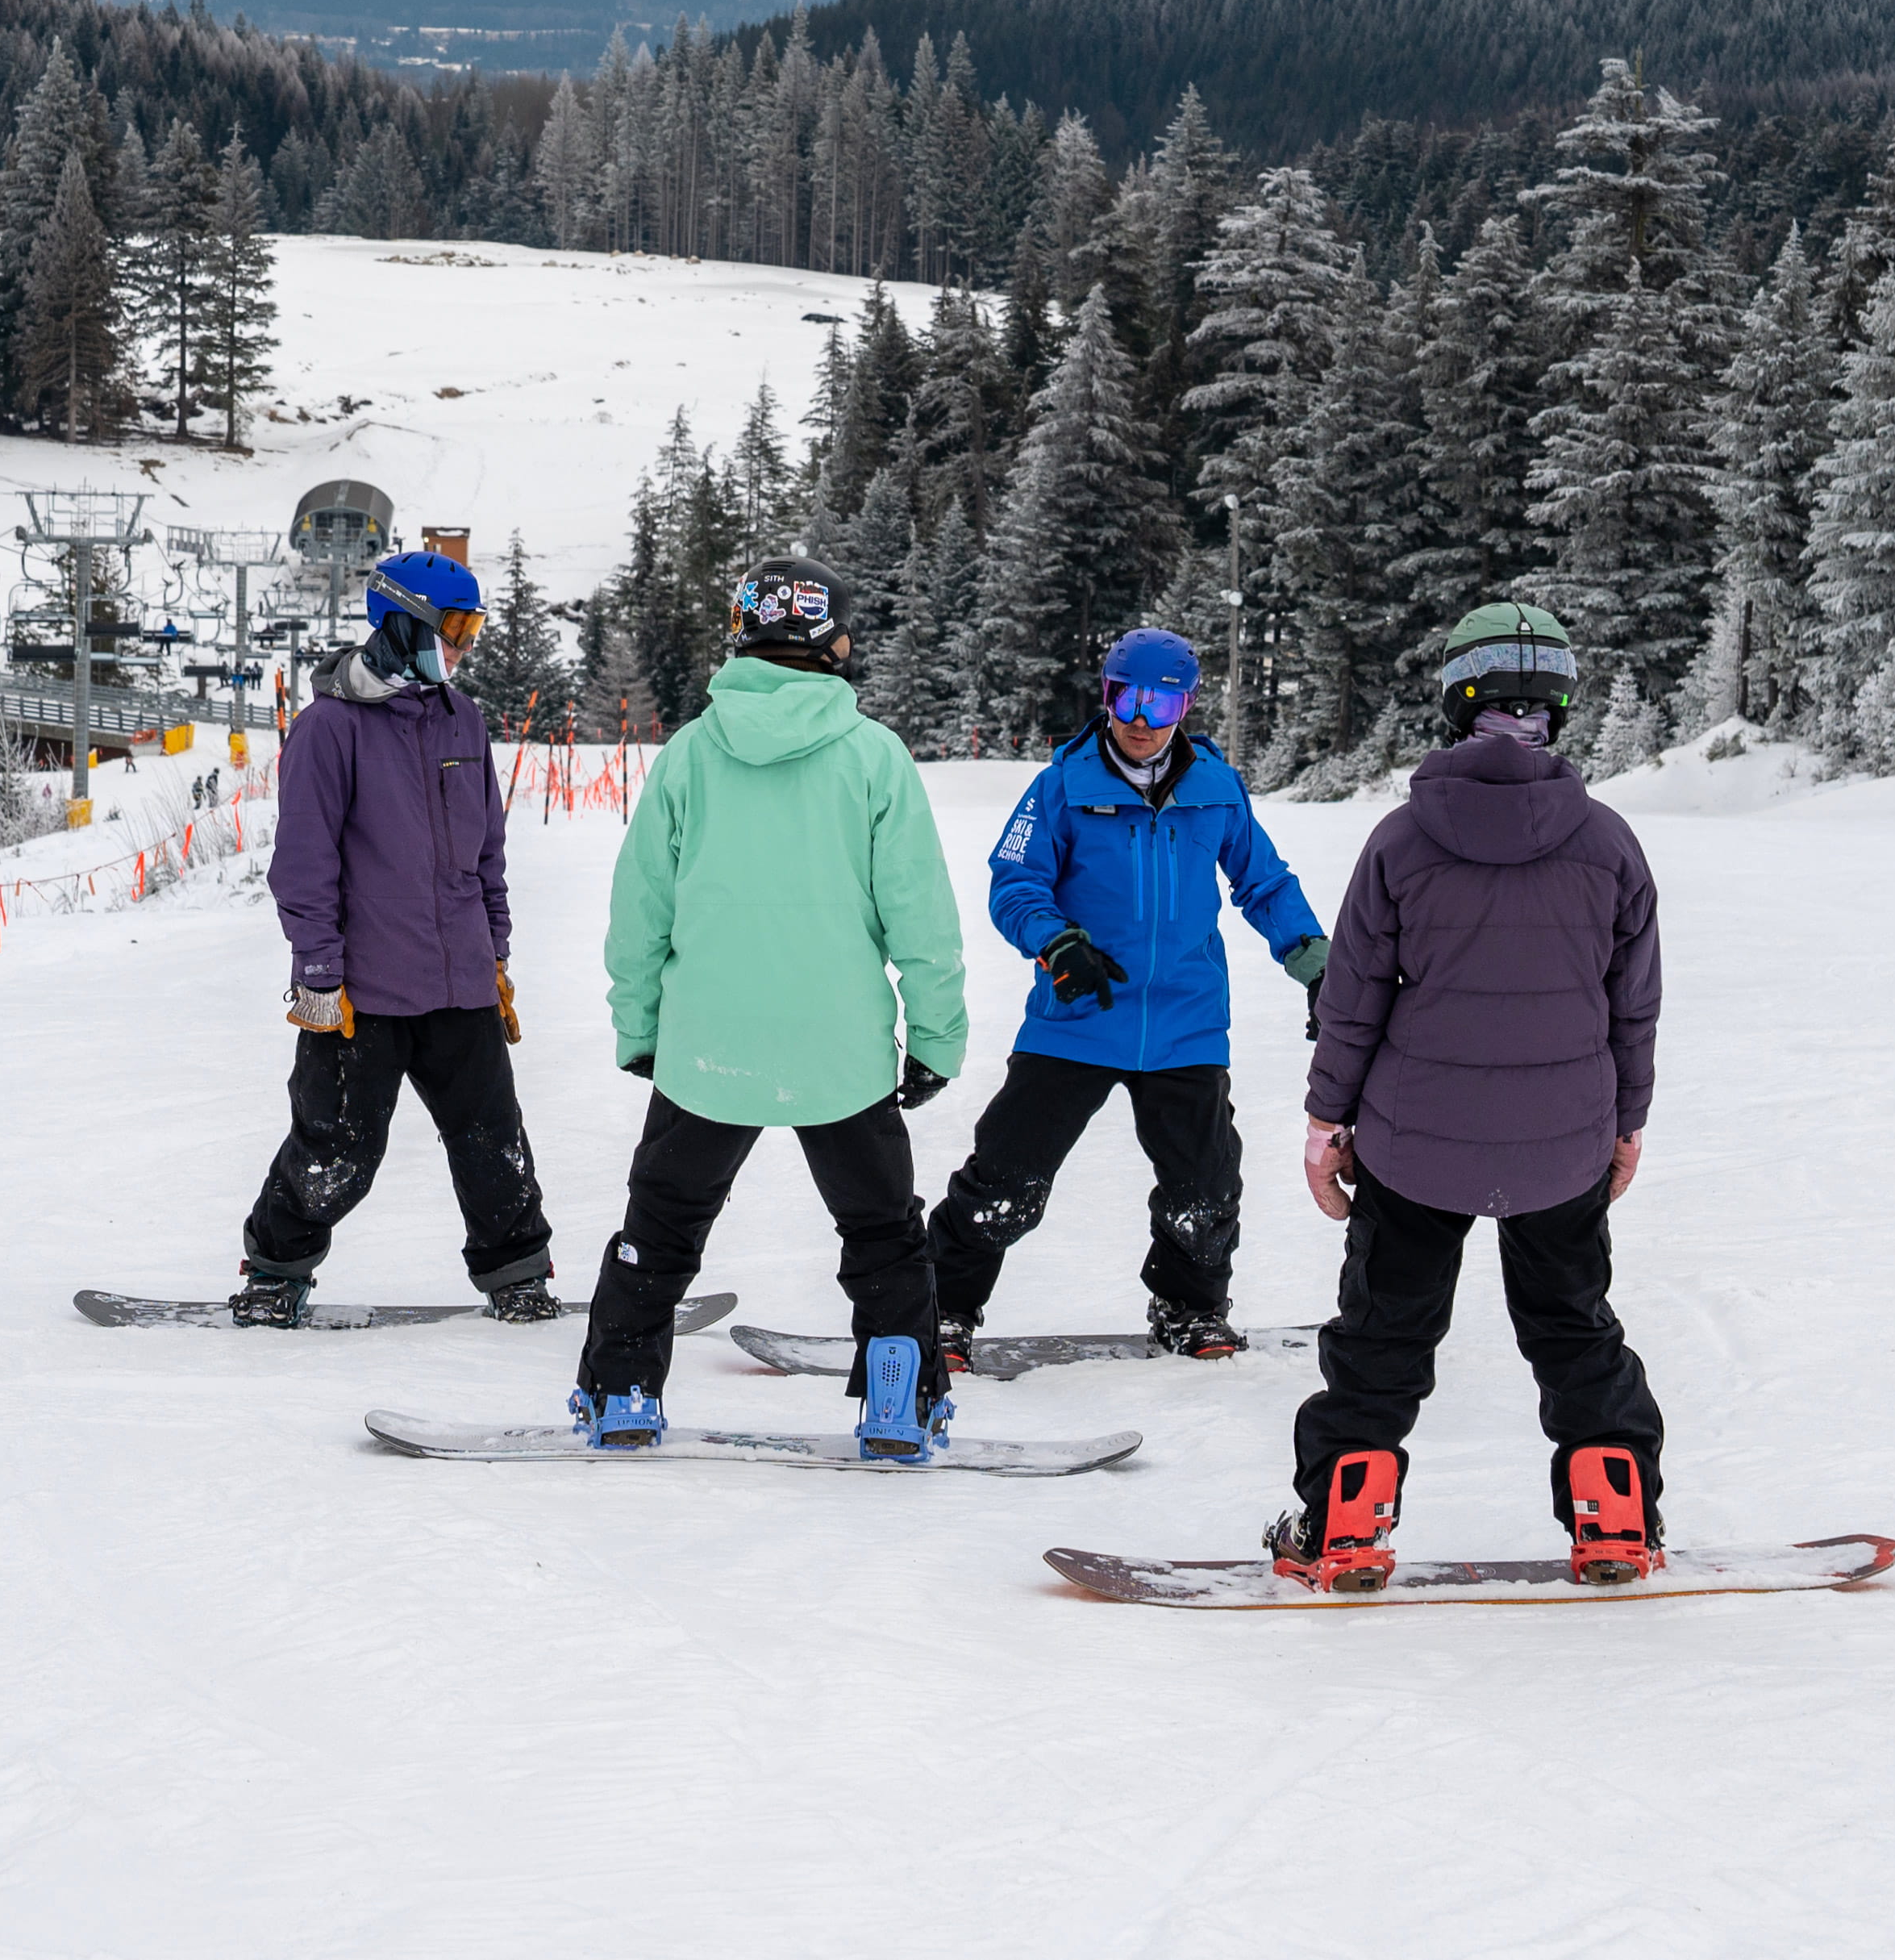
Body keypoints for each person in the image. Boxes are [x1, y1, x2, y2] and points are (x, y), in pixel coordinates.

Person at [1271, 602, 1668, 1591]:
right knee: (1574, 1327)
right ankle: (1614, 1514)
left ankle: (1345, 1524)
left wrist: (1328, 1123)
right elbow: (1635, 1009)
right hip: (1562, 1145)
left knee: (1382, 1339)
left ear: (1456, 699)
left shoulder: (1402, 842)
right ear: (1560, 709)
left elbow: (1352, 1002)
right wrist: (1626, 1126)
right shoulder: (1610, 844)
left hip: (1417, 1147)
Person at [577, 555, 972, 1458]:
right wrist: (937, 1038)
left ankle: (625, 1388)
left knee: (664, 1223)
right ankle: (898, 1405)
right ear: (833, 641)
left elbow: (641, 908)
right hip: (840, 1053)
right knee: (881, 1233)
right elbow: (921, 916)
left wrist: (640, 1027)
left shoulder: (689, 754)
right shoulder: (873, 756)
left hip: (711, 1047)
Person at [943, 625, 1326, 1363]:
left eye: (1161, 702)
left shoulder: (1217, 789)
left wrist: (1313, 959)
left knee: (1204, 1187)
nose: (1140, 722)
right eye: (1127, 699)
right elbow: (1015, 883)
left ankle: (1191, 1307)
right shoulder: (1062, 784)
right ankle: (944, 1307)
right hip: (1078, 1019)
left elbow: (1264, 882)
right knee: (1005, 1179)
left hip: (1185, 1024)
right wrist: (1056, 942)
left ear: (1186, 707)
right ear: (1107, 698)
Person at [232, 548, 556, 1325]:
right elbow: (304, 864)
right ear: (402, 621)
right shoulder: (329, 729)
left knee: (493, 1143)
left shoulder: (462, 720)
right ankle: (275, 1271)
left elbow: (487, 854)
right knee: (336, 1149)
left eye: (473, 627)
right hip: (362, 991)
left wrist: (497, 951)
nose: (464, 645)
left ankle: (518, 1274)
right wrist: (317, 975)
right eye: (454, 626)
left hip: (460, 983)